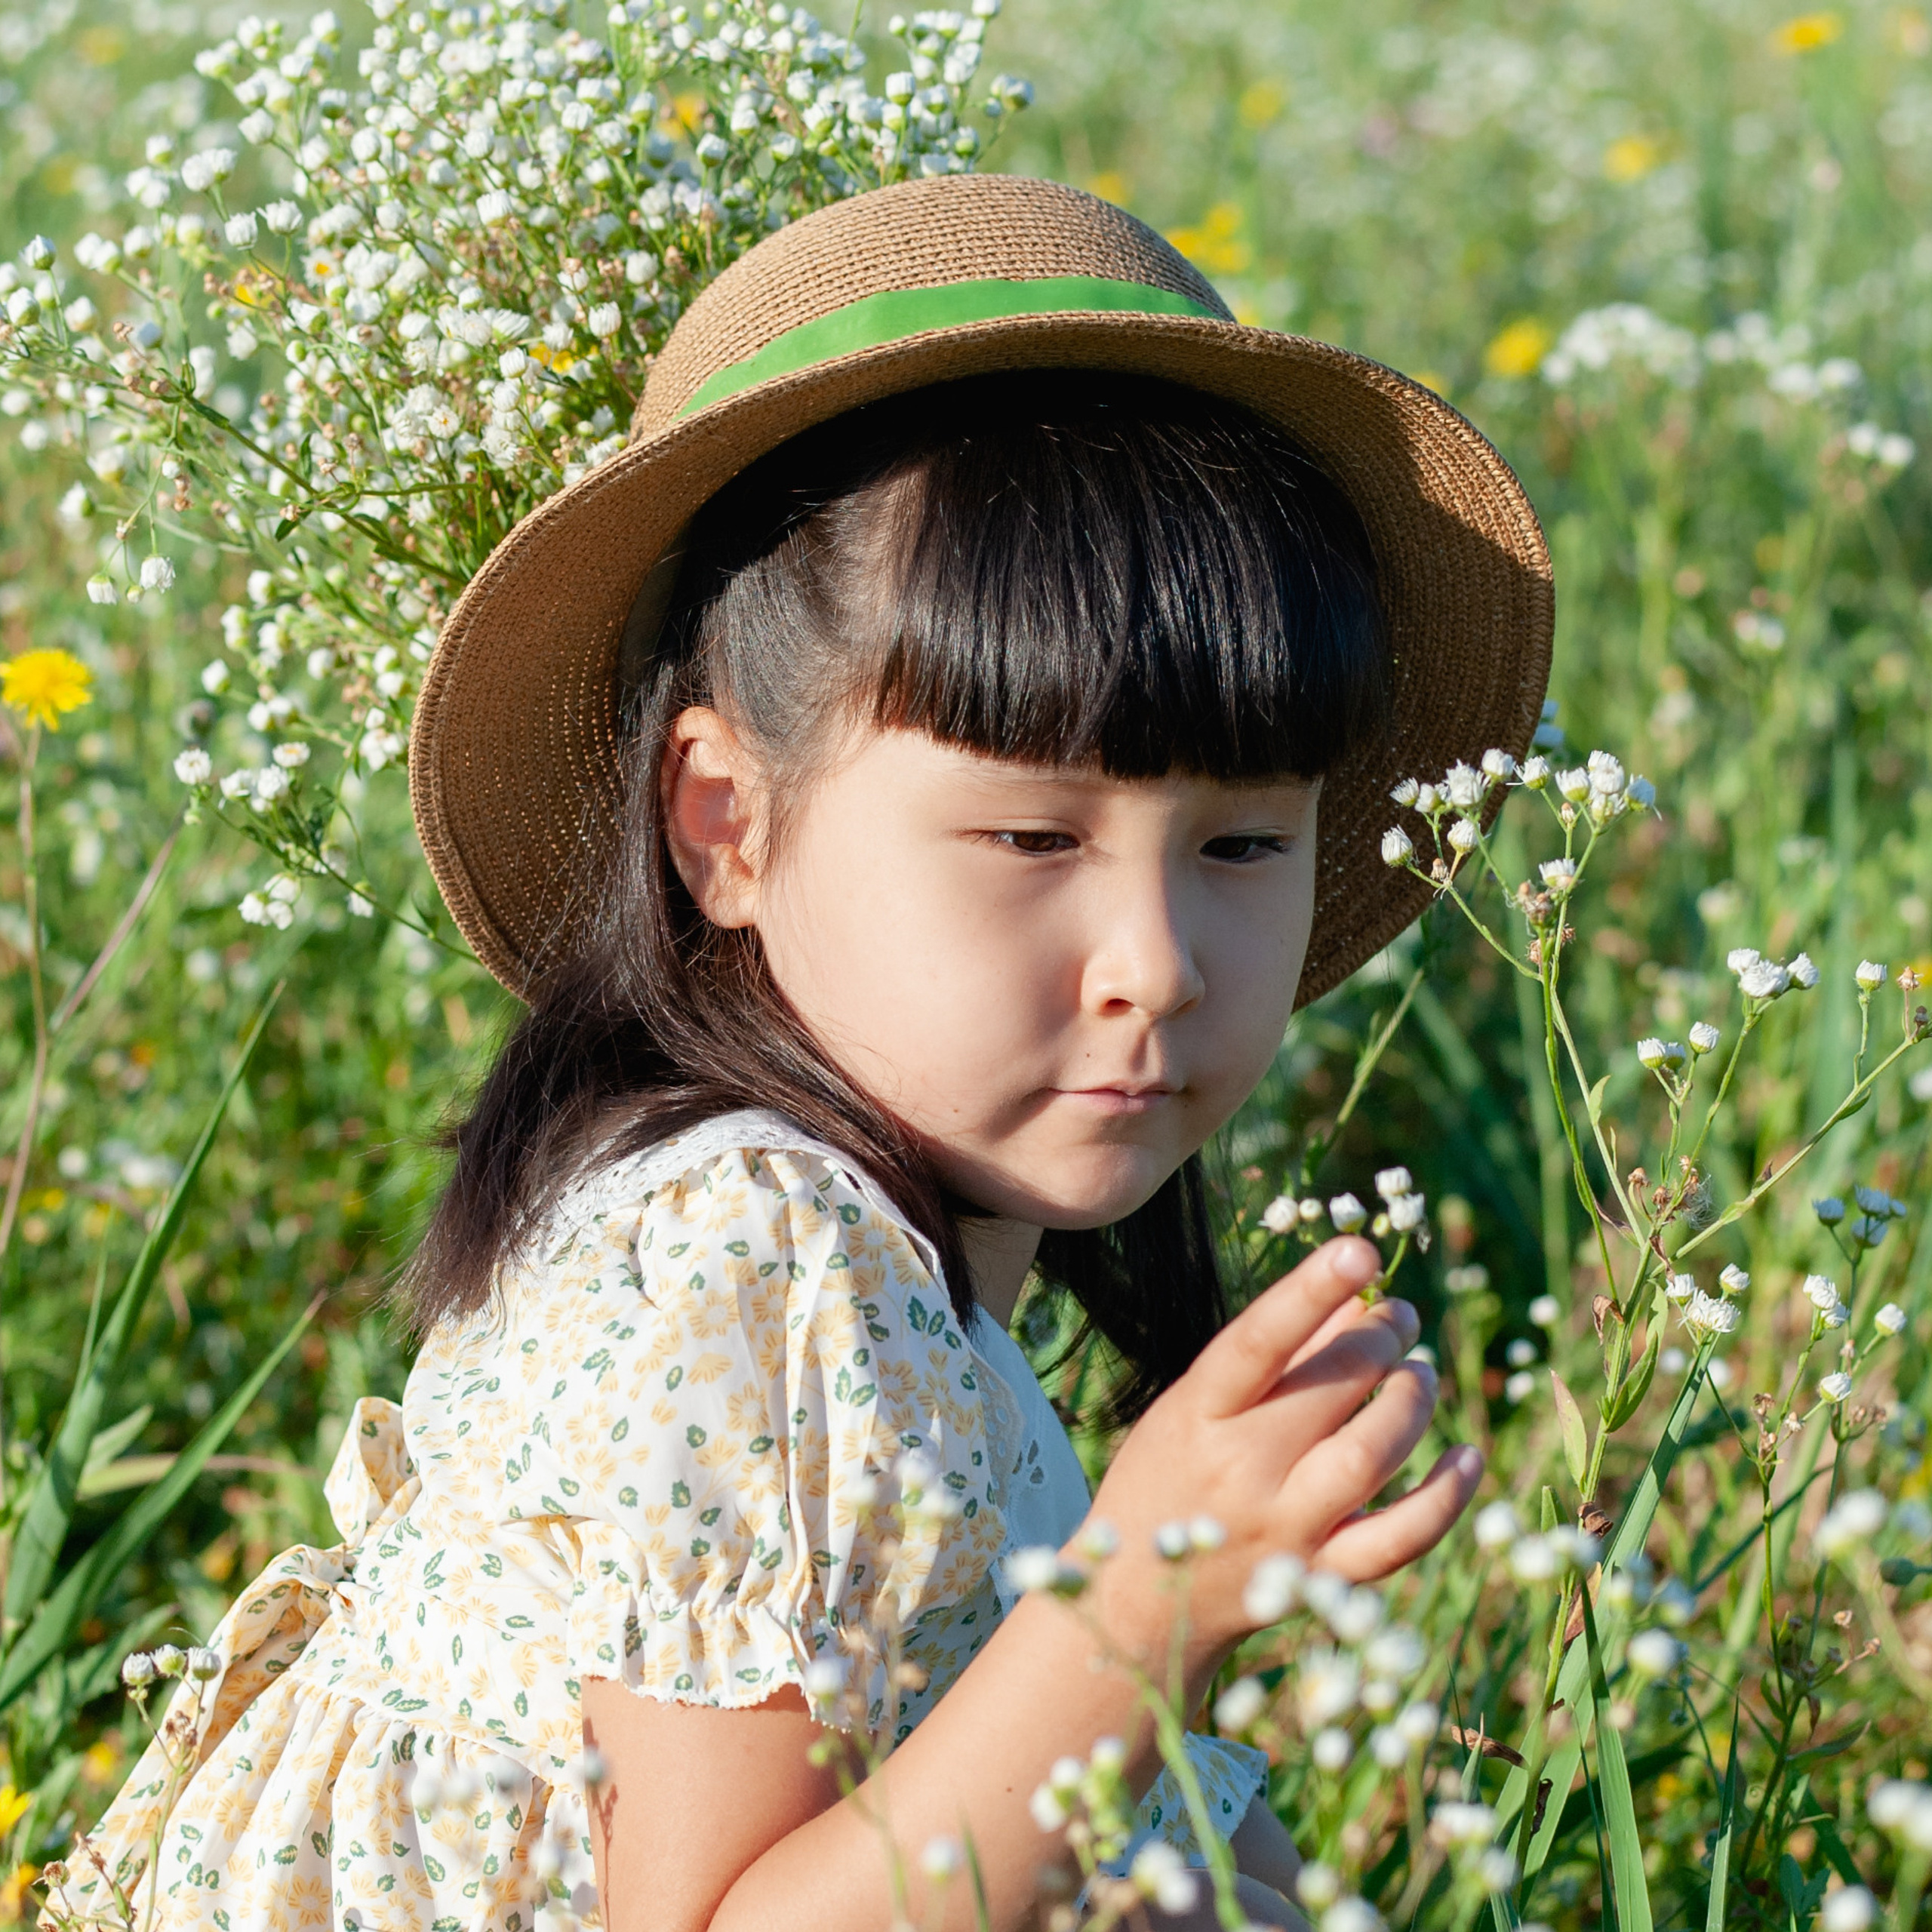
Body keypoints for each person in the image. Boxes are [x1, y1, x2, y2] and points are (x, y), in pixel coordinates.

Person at [73, 174, 1552, 1932]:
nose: (1155, 964)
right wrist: (1150, 1597)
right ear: (726, 822)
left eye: (1240, 844)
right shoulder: (746, 1255)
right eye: (1028, 843)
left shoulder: (885, 1262)